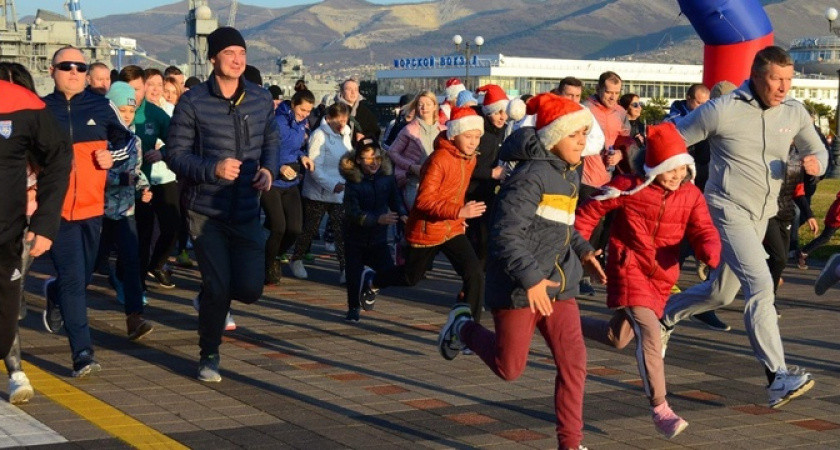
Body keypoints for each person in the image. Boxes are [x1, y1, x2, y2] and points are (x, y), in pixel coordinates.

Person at [659, 46, 828, 409]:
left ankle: (665, 315)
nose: (784, 87)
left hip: (763, 213)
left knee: (721, 293)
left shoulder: (794, 111)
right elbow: (672, 137)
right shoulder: (723, 109)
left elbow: (820, 151)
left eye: (788, 79)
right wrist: (657, 169)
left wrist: (817, 164)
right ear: (755, 76)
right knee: (760, 285)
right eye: (776, 79)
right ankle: (777, 377)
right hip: (726, 208)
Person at [437, 93, 603, 450]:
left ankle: (570, 444)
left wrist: (584, 251)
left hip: (559, 286)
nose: (582, 141)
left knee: (574, 364)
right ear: (554, 136)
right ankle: (462, 327)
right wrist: (530, 280)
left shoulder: (568, 172)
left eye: (585, 133)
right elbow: (505, 234)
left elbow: (562, 225)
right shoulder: (529, 178)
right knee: (509, 368)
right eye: (575, 134)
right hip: (519, 287)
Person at [577, 122, 721, 439]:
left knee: (618, 337)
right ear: (654, 167)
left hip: (661, 276)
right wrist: (582, 249)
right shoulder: (630, 186)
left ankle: (561, 321)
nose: (675, 175)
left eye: (681, 168)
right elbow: (589, 211)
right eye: (669, 169)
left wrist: (709, 250)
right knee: (650, 333)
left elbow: (704, 230)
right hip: (628, 266)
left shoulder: (691, 195)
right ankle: (660, 408)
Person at [166, 26, 279, 382]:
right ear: (213, 58)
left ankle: (212, 297)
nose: (237, 60)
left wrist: (269, 171)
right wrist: (211, 168)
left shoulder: (260, 98)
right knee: (219, 287)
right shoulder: (194, 101)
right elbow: (175, 155)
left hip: (247, 208)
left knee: (249, 289)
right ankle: (209, 354)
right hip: (206, 212)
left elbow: (271, 141)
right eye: (229, 53)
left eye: (242, 53)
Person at [42, 45, 133, 377]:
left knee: (84, 273)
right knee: (73, 281)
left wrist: (113, 157)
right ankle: (82, 352)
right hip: (55, 210)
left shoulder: (100, 106)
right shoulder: (40, 109)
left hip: (94, 207)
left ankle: (52, 291)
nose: (74, 72)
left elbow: (126, 142)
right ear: (52, 71)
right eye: (66, 66)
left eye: (80, 67)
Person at [359, 106, 487, 322]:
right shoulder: (439, 159)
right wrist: (459, 211)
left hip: (452, 227)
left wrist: (460, 216)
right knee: (410, 278)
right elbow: (424, 201)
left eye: (477, 136)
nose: (474, 142)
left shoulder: (470, 158)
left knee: (474, 273)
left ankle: (468, 328)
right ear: (455, 134)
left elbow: (456, 191)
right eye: (469, 136)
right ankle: (373, 279)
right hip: (428, 229)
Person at [0, 63, 71, 402]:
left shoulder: (36, 117)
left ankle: (15, 370)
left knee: (9, 304)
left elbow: (60, 161)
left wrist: (43, 222)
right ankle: (15, 369)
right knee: (9, 305)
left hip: (23, 229)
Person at [119, 66, 179, 291]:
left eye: (138, 88)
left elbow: (177, 140)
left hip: (148, 184)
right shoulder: (111, 111)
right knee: (124, 237)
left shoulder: (154, 114)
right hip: (118, 186)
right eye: (129, 89)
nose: (134, 94)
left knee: (149, 233)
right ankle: (122, 276)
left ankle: (140, 279)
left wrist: (162, 153)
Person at [102, 81, 155, 340]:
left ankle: (135, 317)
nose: (126, 115)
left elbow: (135, 173)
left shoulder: (134, 141)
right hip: (98, 213)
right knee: (93, 264)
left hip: (126, 212)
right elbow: (92, 176)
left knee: (132, 263)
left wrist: (145, 187)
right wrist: (121, 181)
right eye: (121, 110)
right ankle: (57, 293)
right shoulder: (99, 137)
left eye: (131, 111)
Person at [340, 138, 407, 322]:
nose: (374, 162)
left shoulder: (387, 177)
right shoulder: (352, 181)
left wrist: (402, 214)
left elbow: (395, 199)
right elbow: (353, 212)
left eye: (377, 157)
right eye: (368, 158)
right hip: (355, 237)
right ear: (359, 160)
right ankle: (353, 308)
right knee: (353, 276)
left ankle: (371, 285)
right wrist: (377, 219)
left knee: (388, 272)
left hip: (378, 238)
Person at [288, 103, 352, 282]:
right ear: (329, 118)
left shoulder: (346, 134)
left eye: (344, 119)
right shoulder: (319, 135)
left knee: (341, 231)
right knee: (309, 229)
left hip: (339, 191)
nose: (342, 123)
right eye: (338, 119)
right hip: (318, 191)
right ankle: (297, 258)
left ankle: (345, 268)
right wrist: (332, 184)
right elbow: (314, 167)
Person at [579, 71, 629, 295]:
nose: (613, 97)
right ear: (598, 90)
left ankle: (593, 270)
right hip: (587, 176)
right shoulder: (585, 109)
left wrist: (619, 153)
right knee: (589, 226)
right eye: (609, 92)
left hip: (611, 179)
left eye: (617, 93)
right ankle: (580, 274)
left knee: (606, 229)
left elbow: (624, 142)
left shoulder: (621, 112)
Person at [263, 89, 315, 285]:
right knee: (278, 227)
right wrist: (279, 167)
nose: (305, 114)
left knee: (294, 228)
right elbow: (264, 149)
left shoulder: (302, 125)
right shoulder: (277, 122)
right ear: (293, 104)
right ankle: (268, 264)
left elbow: (297, 148)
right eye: (302, 109)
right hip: (272, 182)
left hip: (291, 182)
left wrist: (303, 157)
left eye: (309, 111)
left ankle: (276, 255)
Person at [466, 84, 509, 269]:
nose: (502, 117)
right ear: (488, 111)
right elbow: (465, 165)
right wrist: (491, 173)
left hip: (491, 192)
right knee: (476, 237)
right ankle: (473, 277)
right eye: (498, 112)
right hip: (471, 191)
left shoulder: (503, 130)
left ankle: (479, 275)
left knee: (486, 237)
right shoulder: (478, 132)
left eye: (505, 112)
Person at [388, 90, 446, 209]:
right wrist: (410, 167)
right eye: (420, 104)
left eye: (428, 104)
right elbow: (392, 152)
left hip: (438, 184)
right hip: (414, 183)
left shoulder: (444, 130)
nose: (424, 108)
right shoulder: (409, 130)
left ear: (435, 106)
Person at [798, 189, 839, 269]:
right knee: (825, 237)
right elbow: (837, 213)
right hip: (835, 218)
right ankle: (803, 252)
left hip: (835, 216)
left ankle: (803, 252)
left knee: (825, 237)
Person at [337, 77, 379, 143]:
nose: (353, 92)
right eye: (349, 89)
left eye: (356, 89)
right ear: (342, 92)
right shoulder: (334, 110)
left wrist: (364, 136)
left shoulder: (366, 112)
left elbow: (375, 132)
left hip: (359, 150)